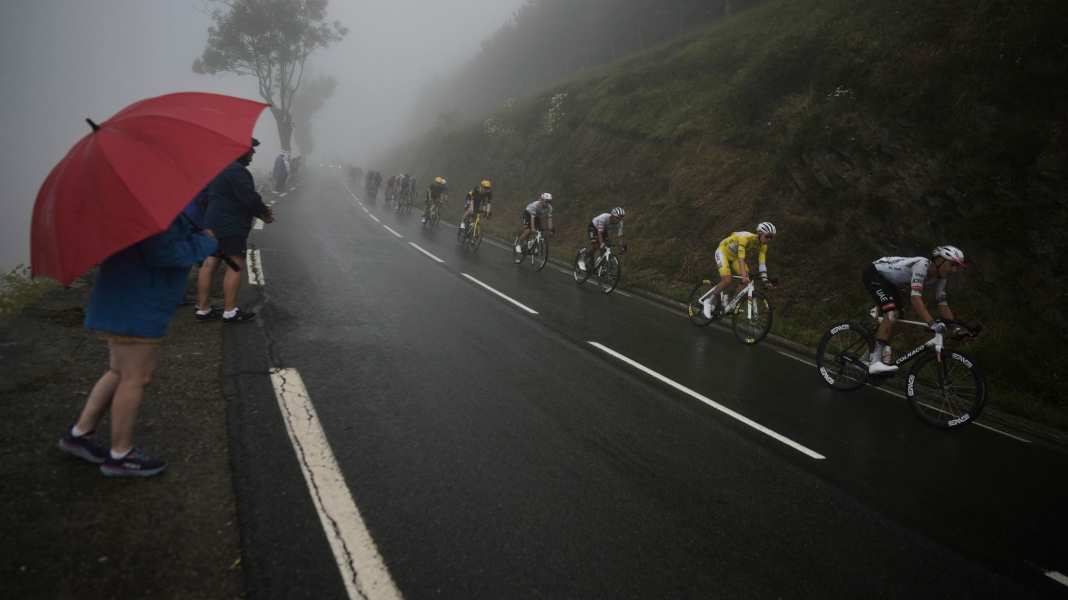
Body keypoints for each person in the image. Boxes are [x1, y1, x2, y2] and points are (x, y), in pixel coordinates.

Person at [57, 214, 218, 477]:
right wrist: (206, 243)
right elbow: (164, 253)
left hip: (121, 298)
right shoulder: (158, 211)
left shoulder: (131, 210)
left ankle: (80, 434)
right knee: (136, 377)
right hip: (140, 304)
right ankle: (121, 455)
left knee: (118, 372)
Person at [198, 139, 274, 323]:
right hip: (230, 225)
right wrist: (265, 213)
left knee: (210, 263)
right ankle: (230, 311)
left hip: (212, 223)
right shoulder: (237, 172)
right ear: (241, 151)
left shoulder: (218, 169)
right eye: (251, 150)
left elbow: (205, 197)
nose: (253, 154)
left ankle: (203, 309)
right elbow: (249, 199)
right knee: (235, 264)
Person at [862, 245, 967, 374]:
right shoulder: (922, 265)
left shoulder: (941, 278)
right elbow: (915, 299)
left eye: (957, 266)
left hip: (890, 283)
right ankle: (875, 363)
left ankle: (868, 356)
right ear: (939, 261)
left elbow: (942, 303)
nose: (954, 270)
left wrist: (956, 327)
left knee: (898, 317)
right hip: (874, 274)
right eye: (952, 265)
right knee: (891, 313)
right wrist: (931, 323)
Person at [701, 222, 776, 319]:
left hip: (734, 256)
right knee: (727, 279)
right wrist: (744, 275)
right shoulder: (745, 238)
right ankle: (708, 301)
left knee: (746, 281)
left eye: (772, 237)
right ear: (760, 233)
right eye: (768, 236)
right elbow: (741, 259)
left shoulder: (763, 246)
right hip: (723, 252)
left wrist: (765, 280)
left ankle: (729, 303)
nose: (769, 239)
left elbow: (762, 264)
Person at [514, 192, 554, 259]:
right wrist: (532, 228)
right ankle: (518, 244)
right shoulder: (535, 205)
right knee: (528, 229)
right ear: (542, 200)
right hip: (528, 213)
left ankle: (533, 244)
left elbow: (549, 219)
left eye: (549, 202)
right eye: (546, 201)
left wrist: (550, 229)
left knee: (539, 230)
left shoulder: (550, 207)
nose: (548, 203)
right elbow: (532, 218)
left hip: (537, 216)